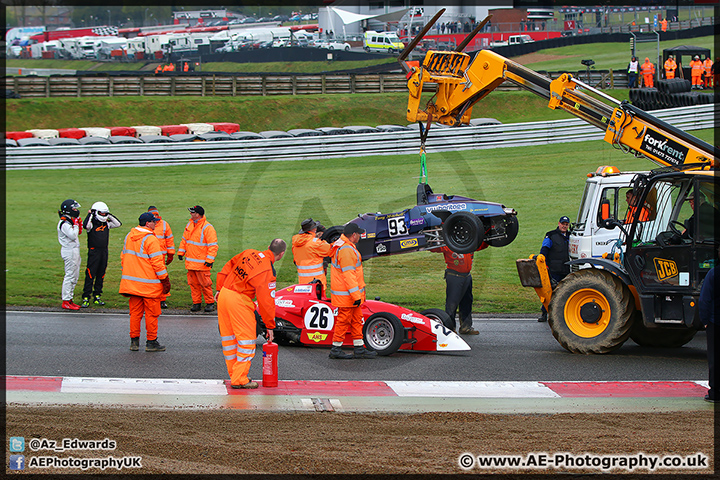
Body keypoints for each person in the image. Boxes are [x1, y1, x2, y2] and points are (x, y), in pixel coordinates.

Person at [215, 239, 286, 389]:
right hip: (239, 300)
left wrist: (219, 287)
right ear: (281, 254)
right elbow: (266, 301)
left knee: (229, 340)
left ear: (268, 247)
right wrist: (269, 325)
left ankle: (235, 374)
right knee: (247, 341)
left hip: (224, 294)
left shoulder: (249, 253)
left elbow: (228, 265)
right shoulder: (267, 271)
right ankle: (239, 379)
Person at [120, 212, 171, 352]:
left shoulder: (129, 236)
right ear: (148, 223)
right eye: (154, 222)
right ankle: (151, 342)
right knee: (152, 314)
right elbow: (158, 264)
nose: (156, 224)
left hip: (131, 284)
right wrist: (165, 280)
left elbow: (123, 258)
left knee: (135, 314)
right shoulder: (151, 240)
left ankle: (134, 342)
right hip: (149, 285)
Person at [328, 223, 377, 359]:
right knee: (343, 321)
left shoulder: (344, 246)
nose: (360, 236)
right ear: (354, 235)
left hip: (349, 295)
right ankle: (336, 349)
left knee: (357, 320)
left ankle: (359, 348)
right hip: (348, 295)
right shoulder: (346, 250)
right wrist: (356, 295)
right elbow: (349, 275)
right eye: (359, 234)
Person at [80, 202, 121, 308]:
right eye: (101, 213)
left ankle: (97, 295)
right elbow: (85, 226)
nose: (103, 215)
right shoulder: (92, 224)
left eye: (105, 213)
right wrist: (91, 214)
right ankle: (86, 297)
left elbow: (118, 224)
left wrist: (109, 214)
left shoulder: (106, 224)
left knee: (101, 274)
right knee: (90, 274)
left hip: (104, 251)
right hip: (94, 252)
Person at [178, 205, 218, 312]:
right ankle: (196, 303)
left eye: (192, 212)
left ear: (198, 214)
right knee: (193, 284)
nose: (190, 214)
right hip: (191, 262)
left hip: (202, 264)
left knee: (205, 284)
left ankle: (210, 303)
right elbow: (184, 239)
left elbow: (212, 245)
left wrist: (210, 260)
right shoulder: (190, 224)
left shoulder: (207, 228)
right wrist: (181, 252)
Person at [437, 245, 484, 335]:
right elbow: (436, 248)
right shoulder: (449, 244)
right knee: (452, 304)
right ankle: (450, 328)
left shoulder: (470, 244)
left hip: (467, 276)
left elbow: (481, 245)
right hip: (454, 276)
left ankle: (466, 327)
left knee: (467, 302)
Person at [538, 216, 571, 322]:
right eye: (563, 224)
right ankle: (544, 313)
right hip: (554, 270)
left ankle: (564, 313)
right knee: (550, 292)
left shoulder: (572, 236)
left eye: (566, 224)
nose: (564, 226)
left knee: (567, 291)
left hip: (567, 269)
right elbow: (544, 250)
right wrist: (544, 264)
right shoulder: (551, 235)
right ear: (559, 223)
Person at [699, 245, 719, 402]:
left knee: (714, 358)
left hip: (715, 321)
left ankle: (715, 392)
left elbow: (705, 300)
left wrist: (705, 321)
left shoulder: (713, 274)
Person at [292, 218, 333, 288]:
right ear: (314, 229)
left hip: (302, 283)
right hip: (317, 283)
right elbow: (331, 250)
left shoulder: (295, 244)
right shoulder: (316, 243)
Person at [58, 199, 83, 310]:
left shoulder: (69, 221)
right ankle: (66, 300)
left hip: (74, 250)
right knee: (70, 275)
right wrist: (76, 225)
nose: (76, 210)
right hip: (69, 250)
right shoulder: (64, 223)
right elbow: (73, 235)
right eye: (74, 208)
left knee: (75, 276)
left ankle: (70, 299)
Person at [148, 206, 175, 309]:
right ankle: (152, 298)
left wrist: (171, 253)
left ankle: (162, 300)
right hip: (149, 257)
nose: (155, 216)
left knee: (162, 278)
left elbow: (169, 239)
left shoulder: (164, 224)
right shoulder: (148, 224)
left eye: (156, 214)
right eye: (153, 214)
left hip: (161, 257)